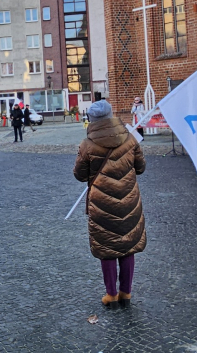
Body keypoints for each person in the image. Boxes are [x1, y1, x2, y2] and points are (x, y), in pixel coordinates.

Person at [73, 100, 146, 309]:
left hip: (101, 204)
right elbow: (140, 167)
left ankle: (111, 295)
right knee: (127, 245)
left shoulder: (86, 145)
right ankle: (126, 293)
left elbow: (79, 175)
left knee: (107, 247)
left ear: (92, 121)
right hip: (129, 201)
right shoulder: (130, 139)